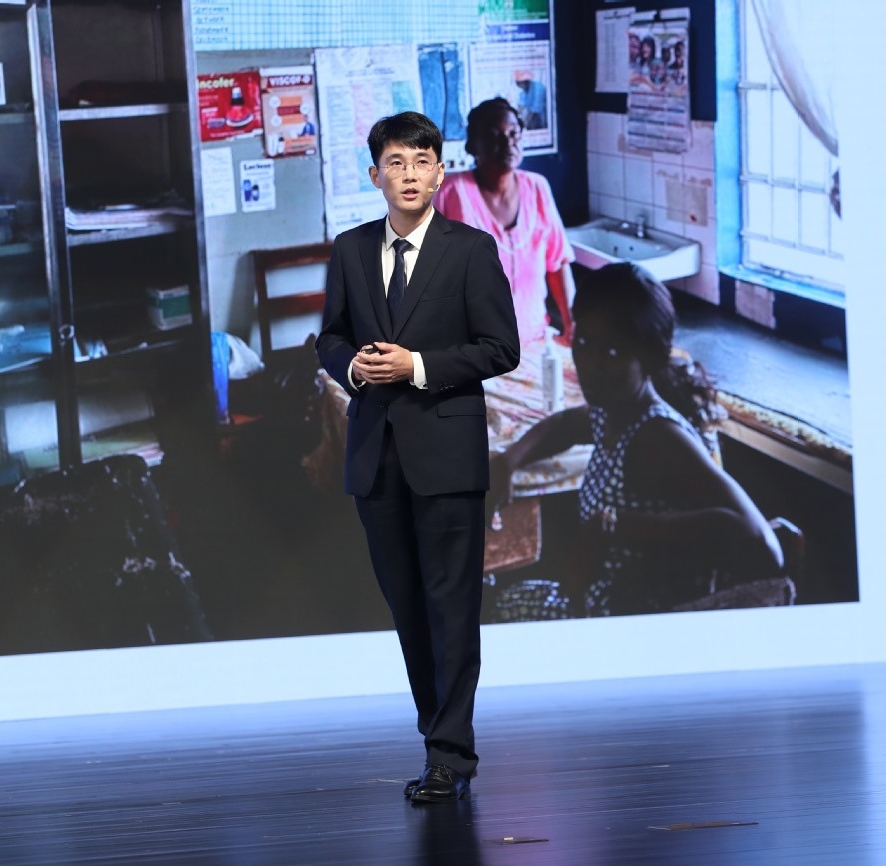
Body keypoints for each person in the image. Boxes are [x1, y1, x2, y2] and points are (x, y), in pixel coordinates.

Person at [315, 111, 520, 803]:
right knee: (408, 607)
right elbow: (330, 339)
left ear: (439, 173)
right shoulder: (349, 249)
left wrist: (418, 366)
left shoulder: (471, 250)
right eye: (396, 163)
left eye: (422, 162)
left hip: (448, 452)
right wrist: (353, 368)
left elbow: (501, 348)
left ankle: (449, 756)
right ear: (375, 174)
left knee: (451, 607)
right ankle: (438, 740)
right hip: (376, 455)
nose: (409, 175)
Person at [490, 263, 783, 616]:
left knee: (488, 613)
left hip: (638, 622)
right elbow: (566, 424)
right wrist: (507, 461)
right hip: (601, 601)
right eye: (584, 343)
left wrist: (615, 527)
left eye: (612, 352)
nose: (591, 364)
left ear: (647, 356)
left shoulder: (658, 438)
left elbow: (762, 544)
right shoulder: (616, 409)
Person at [432, 98, 574, 345]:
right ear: (473, 145)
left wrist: (571, 322)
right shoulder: (450, 194)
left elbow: (558, 262)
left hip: (534, 341)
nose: (507, 143)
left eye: (513, 134)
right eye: (494, 136)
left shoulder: (537, 188)